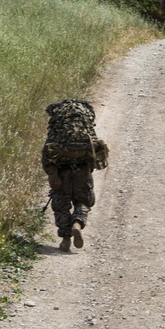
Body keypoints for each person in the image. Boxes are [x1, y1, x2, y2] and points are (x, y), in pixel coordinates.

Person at [41, 99, 109, 252]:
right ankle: (77, 222)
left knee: (61, 204)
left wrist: (51, 172)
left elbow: (46, 154)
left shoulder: (57, 126)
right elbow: (95, 152)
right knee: (84, 200)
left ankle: (65, 240)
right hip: (82, 168)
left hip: (61, 170)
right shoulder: (85, 124)